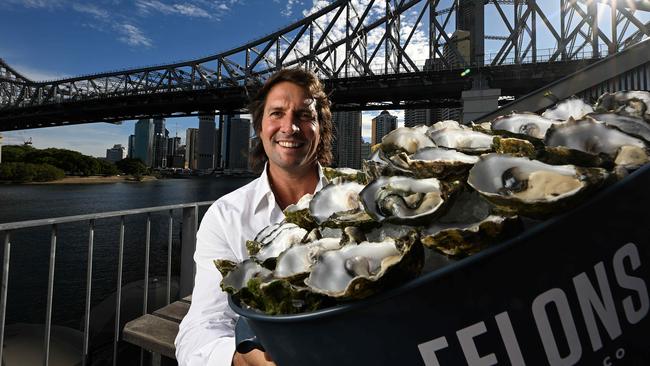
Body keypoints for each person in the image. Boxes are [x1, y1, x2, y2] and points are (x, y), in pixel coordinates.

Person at [175, 68, 333, 366]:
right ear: (259, 128)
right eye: (277, 114)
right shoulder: (225, 216)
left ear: (320, 128)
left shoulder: (362, 197)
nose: (290, 127)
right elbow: (199, 328)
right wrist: (240, 359)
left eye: (304, 115)